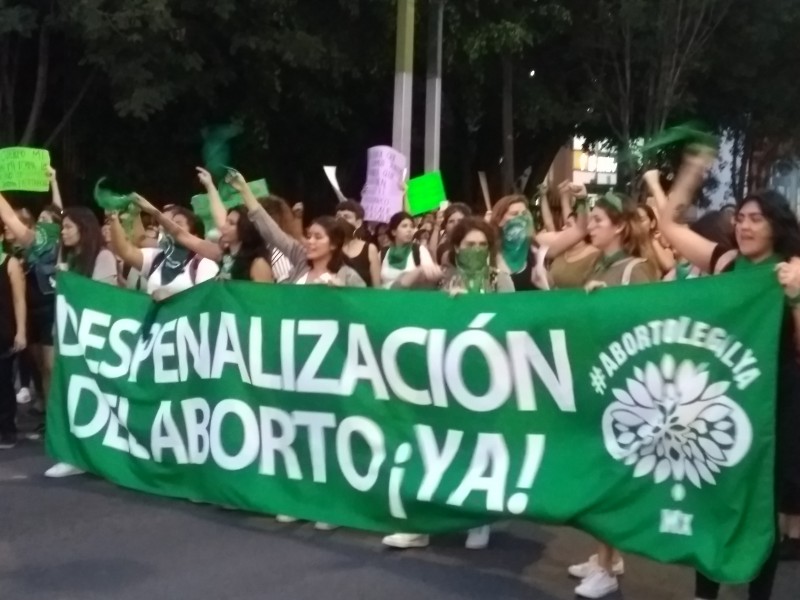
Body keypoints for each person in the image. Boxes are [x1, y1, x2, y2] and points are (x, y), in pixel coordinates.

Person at [645, 156, 800, 600]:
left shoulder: (792, 270)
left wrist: (795, 297)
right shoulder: (726, 261)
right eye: (741, 218)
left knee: (761, 508)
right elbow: (672, 228)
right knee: (711, 497)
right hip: (720, 402)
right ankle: (704, 593)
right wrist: (689, 174)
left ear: (776, 225)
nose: (745, 226)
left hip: (775, 406)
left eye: (757, 219)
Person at [383, 217, 513, 550]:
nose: (477, 250)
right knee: (434, 447)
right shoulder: (444, 279)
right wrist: (440, 299)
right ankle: (421, 525)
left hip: (486, 378)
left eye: (483, 245)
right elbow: (393, 295)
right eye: (469, 245)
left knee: (478, 449)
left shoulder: (500, 281)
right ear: (455, 248)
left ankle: (478, 519)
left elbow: (516, 321)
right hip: (443, 378)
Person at [567, 192, 657, 599]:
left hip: (624, 388)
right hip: (597, 380)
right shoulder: (600, 263)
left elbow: (649, 323)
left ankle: (607, 567)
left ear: (619, 226)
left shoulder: (635, 269)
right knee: (595, 469)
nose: (593, 224)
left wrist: (612, 304)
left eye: (600, 219)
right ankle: (605, 554)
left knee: (608, 474)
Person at [44, 207, 120, 477]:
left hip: (93, 340)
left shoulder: (103, 257)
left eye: (68, 227)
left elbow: (104, 298)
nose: (62, 232)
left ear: (84, 230)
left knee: (89, 395)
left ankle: (88, 455)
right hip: (67, 336)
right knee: (66, 392)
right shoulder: (70, 258)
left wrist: (71, 281)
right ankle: (72, 454)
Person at [0, 193, 59, 426]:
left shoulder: (52, 246)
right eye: (40, 217)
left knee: (50, 367)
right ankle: (45, 408)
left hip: (49, 312)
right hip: (34, 314)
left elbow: (10, 218)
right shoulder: (22, 252)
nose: (42, 221)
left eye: (47, 219)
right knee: (38, 367)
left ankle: (56, 421)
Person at [109, 199, 219, 301]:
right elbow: (126, 251)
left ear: (194, 235)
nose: (170, 228)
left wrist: (171, 300)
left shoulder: (204, 264)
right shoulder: (157, 258)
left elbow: (206, 302)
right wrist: (113, 219)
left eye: (178, 224)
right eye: (169, 223)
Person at [490, 187, 589, 292]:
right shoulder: (488, 249)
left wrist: (582, 200)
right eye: (514, 214)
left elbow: (580, 230)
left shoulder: (535, 244)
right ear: (499, 221)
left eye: (524, 214)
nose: (521, 218)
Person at [0, 226, 27, 449]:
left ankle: (7, 429)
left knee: (3, 382)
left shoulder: (10, 263)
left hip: (4, 330)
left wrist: (21, 331)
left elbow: (19, 300)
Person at [380, 211, 435, 288]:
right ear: (394, 232)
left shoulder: (419, 250)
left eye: (411, 226)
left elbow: (431, 277)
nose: (409, 230)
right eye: (404, 226)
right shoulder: (383, 253)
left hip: (411, 299)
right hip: (386, 298)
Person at [337, 201, 381, 287]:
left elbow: (377, 286)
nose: (341, 220)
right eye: (338, 216)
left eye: (346, 217)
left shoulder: (370, 249)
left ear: (358, 223)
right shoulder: (331, 247)